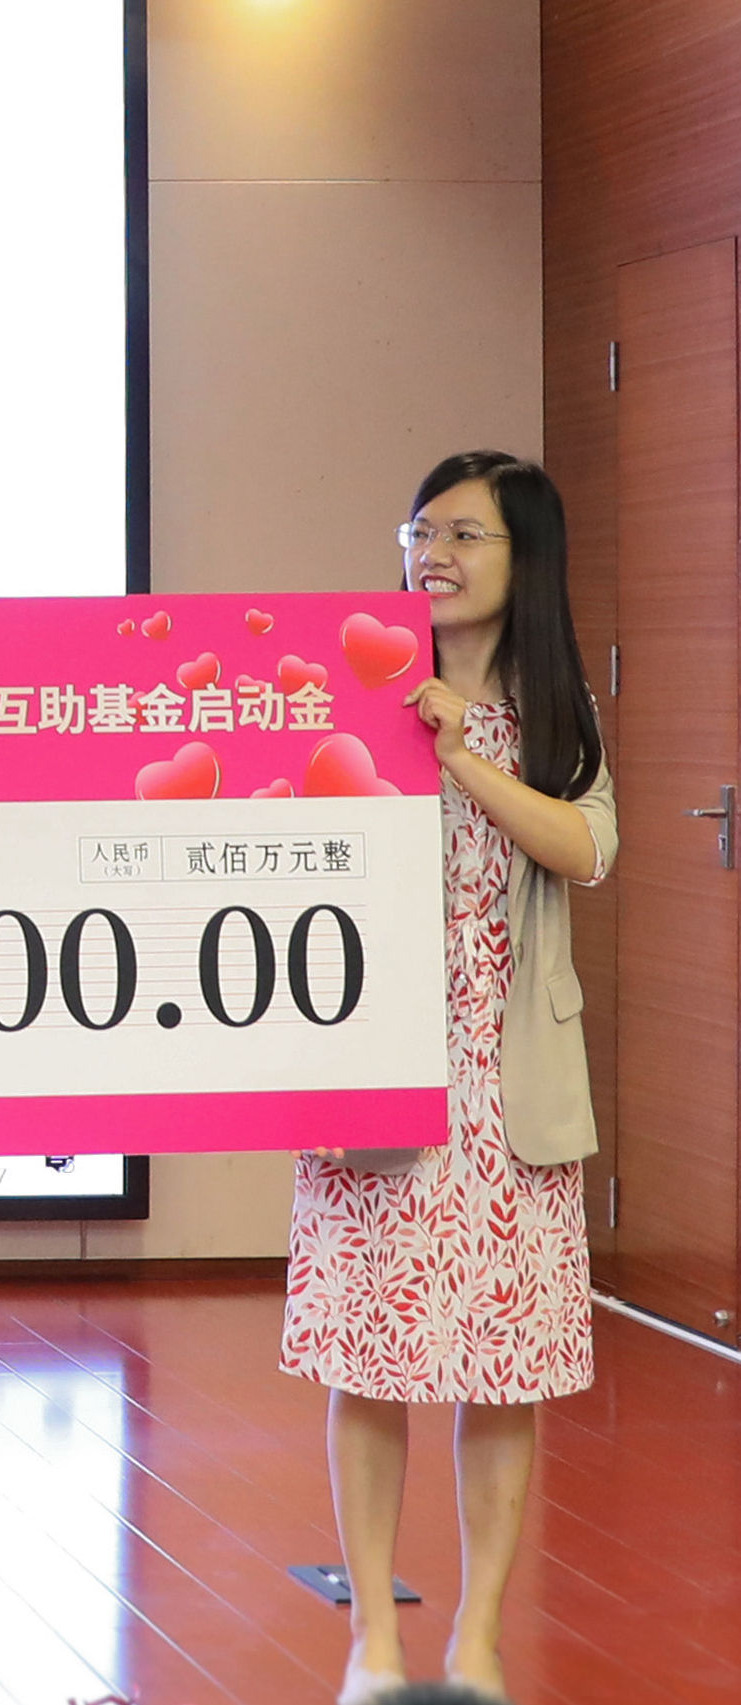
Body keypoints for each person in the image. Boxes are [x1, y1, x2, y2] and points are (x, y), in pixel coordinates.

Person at [280, 451, 613, 1705]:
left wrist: (462, 754)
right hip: (376, 1071)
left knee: (503, 1372)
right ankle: (372, 1638)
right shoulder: (344, 687)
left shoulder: (554, 708)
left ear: (526, 556)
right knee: (367, 1364)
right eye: (421, 531)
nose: (434, 554)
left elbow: (587, 845)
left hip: (512, 1087)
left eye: (465, 534)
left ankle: (476, 1640)